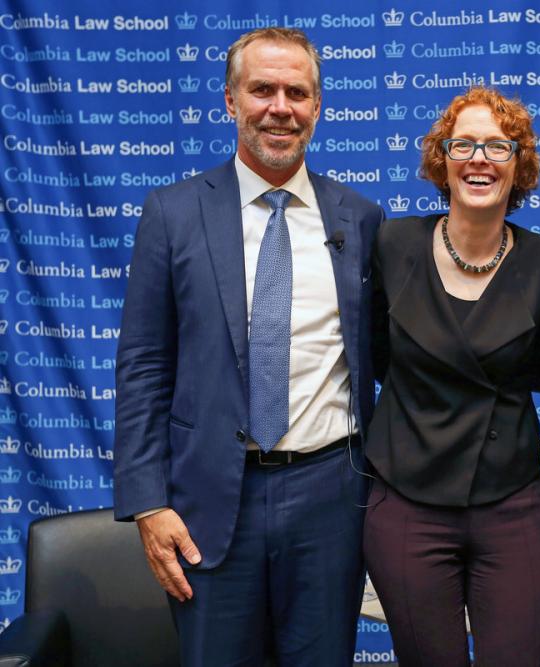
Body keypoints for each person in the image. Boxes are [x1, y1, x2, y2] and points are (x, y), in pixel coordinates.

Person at [113, 27, 383, 667]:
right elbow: (144, 366)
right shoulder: (173, 212)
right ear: (231, 100)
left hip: (330, 499)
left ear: (318, 106)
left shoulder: (361, 219)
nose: (280, 107)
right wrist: (148, 500)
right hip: (207, 502)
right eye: (262, 89)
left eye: (297, 91)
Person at [363, 86, 540, 666]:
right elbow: (371, 355)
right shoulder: (391, 244)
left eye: (498, 147)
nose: (479, 158)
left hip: (510, 502)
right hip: (407, 503)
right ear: (443, 159)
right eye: (464, 144)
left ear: (519, 164)